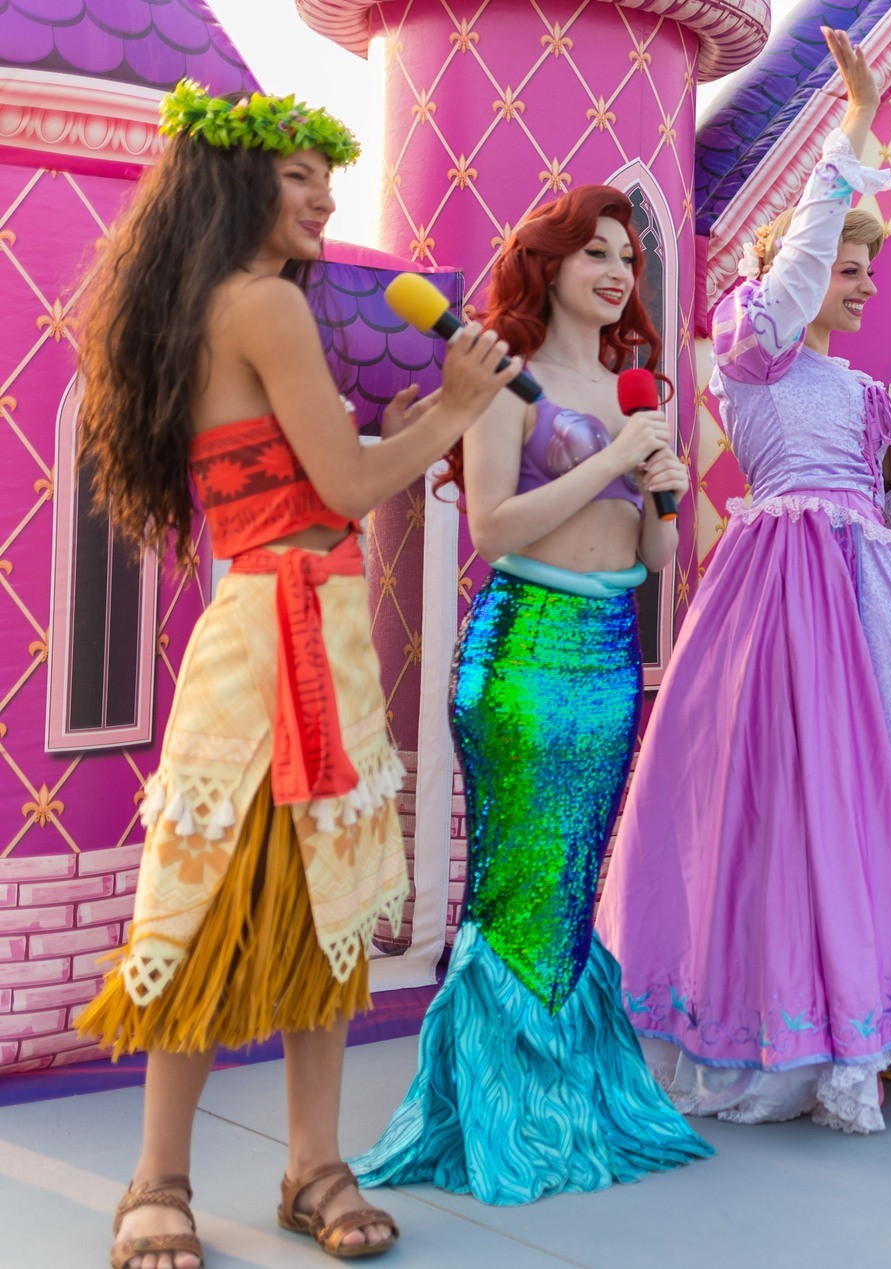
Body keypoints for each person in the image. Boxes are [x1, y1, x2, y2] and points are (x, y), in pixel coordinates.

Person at [73, 81, 522, 1268]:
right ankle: (170, 1179)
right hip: (279, 632)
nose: (325, 195)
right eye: (298, 175)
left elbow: (324, 466)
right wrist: (464, 409)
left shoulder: (221, 305)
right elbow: (352, 491)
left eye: (329, 175)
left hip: (300, 628)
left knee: (313, 911)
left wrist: (423, 420)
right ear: (236, 184)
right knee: (214, 907)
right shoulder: (265, 302)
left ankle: (296, 1168)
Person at [593, 32, 891, 1135]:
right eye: (847, 269)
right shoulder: (749, 345)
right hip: (781, 599)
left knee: (879, 803)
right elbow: (797, 260)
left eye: (863, 270)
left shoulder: (861, 393)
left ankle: (862, 1027)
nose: (858, 285)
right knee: (778, 804)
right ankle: (783, 1024)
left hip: (867, 599)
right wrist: (851, 127)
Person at [351, 185, 714, 1198]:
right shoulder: (507, 384)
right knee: (517, 884)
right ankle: (501, 1120)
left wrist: (660, 498)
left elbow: (654, 550)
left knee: (570, 886)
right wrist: (609, 456)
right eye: (593, 253)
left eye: (628, 259)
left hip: (605, 650)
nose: (614, 273)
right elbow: (494, 529)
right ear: (547, 264)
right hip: (521, 652)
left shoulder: (637, 390)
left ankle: (572, 1103)